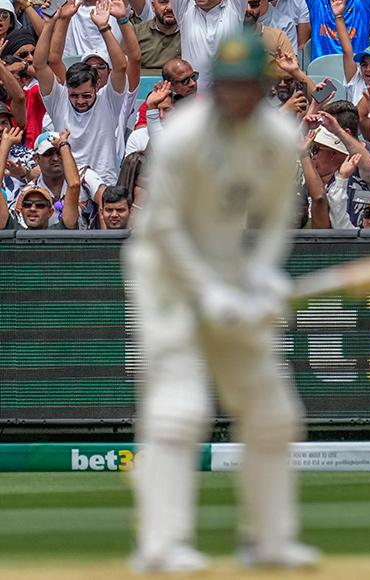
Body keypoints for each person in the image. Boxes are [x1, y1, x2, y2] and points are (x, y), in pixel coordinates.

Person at [124, 30, 319, 571]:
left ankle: (271, 541)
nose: (234, 97)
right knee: (178, 410)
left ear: (261, 88)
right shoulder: (185, 136)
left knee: (273, 413)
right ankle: (161, 546)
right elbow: (160, 226)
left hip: (231, 269)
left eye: (244, 87)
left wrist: (260, 276)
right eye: (225, 86)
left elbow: (279, 218)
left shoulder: (277, 140)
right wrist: (205, 291)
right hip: (164, 275)